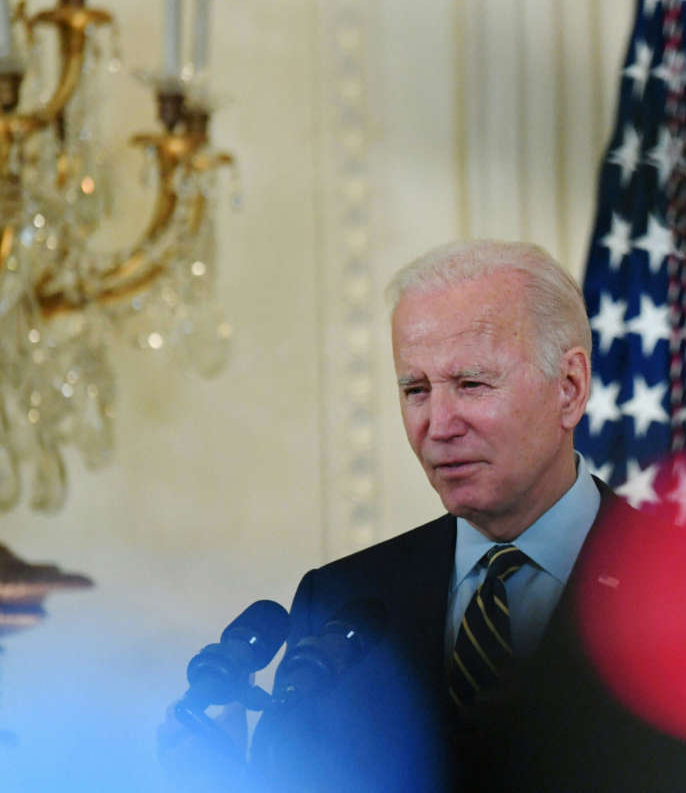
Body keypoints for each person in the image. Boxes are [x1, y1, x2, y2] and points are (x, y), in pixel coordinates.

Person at [249, 239, 622, 791]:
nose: (439, 424)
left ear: (569, 389)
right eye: (415, 389)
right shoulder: (340, 601)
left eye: (471, 384)